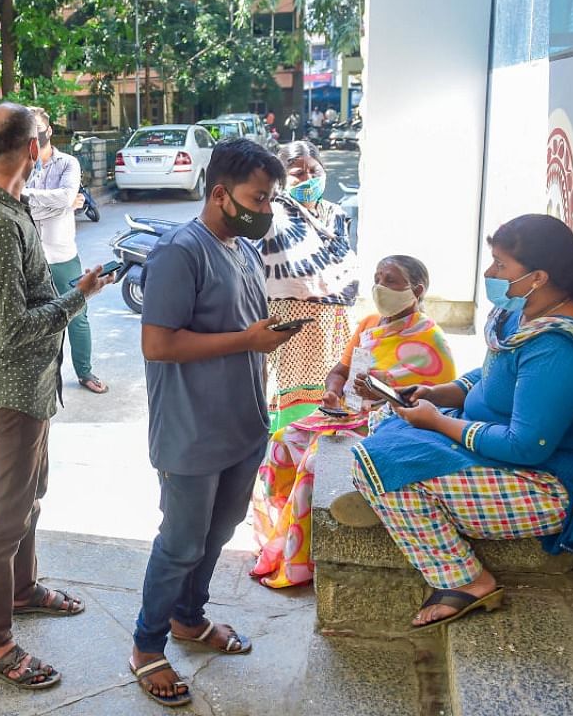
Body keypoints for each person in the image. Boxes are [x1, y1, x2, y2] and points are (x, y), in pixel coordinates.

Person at [340, 214, 573, 631]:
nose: (490, 273)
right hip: (491, 450)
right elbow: (491, 380)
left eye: (500, 265)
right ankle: (403, 505)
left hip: (540, 484)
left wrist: (439, 423)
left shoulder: (558, 347)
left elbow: (524, 446)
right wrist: (440, 392)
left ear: (538, 276)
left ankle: (467, 581)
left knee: (376, 463)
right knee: (389, 421)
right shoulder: (521, 312)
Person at [128, 138, 295, 708]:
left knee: (218, 536)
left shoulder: (241, 248)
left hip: (243, 424)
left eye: (271, 198)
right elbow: (158, 344)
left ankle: (188, 619)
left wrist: (263, 334)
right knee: (180, 543)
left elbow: (240, 324)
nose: (265, 210)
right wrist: (248, 339)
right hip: (191, 432)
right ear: (220, 194)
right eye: (257, 198)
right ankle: (147, 646)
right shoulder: (180, 252)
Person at [0, 102, 112, 690]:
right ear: (32, 151)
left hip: (33, 383)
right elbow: (8, 328)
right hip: (13, 386)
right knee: (7, 513)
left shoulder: (9, 205)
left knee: (30, 494)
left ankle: (22, 590)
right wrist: (80, 295)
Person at [250, 256, 457, 589]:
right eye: (377, 277)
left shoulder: (431, 341)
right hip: (342, 413)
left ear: (416, 290)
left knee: (315, 463)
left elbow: (429, 403)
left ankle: (303, 559)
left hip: (383, 423)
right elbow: (339, 372)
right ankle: (282, 536)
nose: (380, 287)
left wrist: (381, 393)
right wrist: (332, 394)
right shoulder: (369, 324)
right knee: (281, 442)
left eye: (391, 280)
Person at [257, 140, 357, 431]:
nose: (308, 179)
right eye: (298, 173)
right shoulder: (272, 215)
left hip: (332, 325)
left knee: (329, 392)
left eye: (314, 171)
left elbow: (344, 266)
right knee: (286, 396)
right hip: (289, 323)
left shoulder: (335, 214)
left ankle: (314, 457)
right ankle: (284, 459)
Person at [25, 107, 108, 394]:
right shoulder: (23, 165)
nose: (33, 135)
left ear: (48, 131)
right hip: (31, 257)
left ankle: (84, 372)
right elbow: (19, 201)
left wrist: (40, 202)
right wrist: (59, 203)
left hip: (62, 254)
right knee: (36, 318)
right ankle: (42, 378)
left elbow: (66, 197)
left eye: (37, 129)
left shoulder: (67, 164)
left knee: (77, 314)